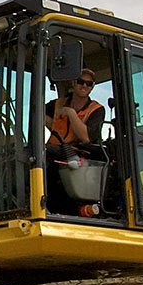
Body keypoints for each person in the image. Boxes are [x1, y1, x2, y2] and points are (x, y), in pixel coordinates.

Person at [45, 69, 106, 214]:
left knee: (43, 154)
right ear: (73, 82)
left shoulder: (96, 110)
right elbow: (39, 115)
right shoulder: (56, 104)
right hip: (55, 151)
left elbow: (86, 137)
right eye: (80, 82)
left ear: (92, 87)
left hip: (79, 154)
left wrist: (70, 113)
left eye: (89, 84)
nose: (84, 86)